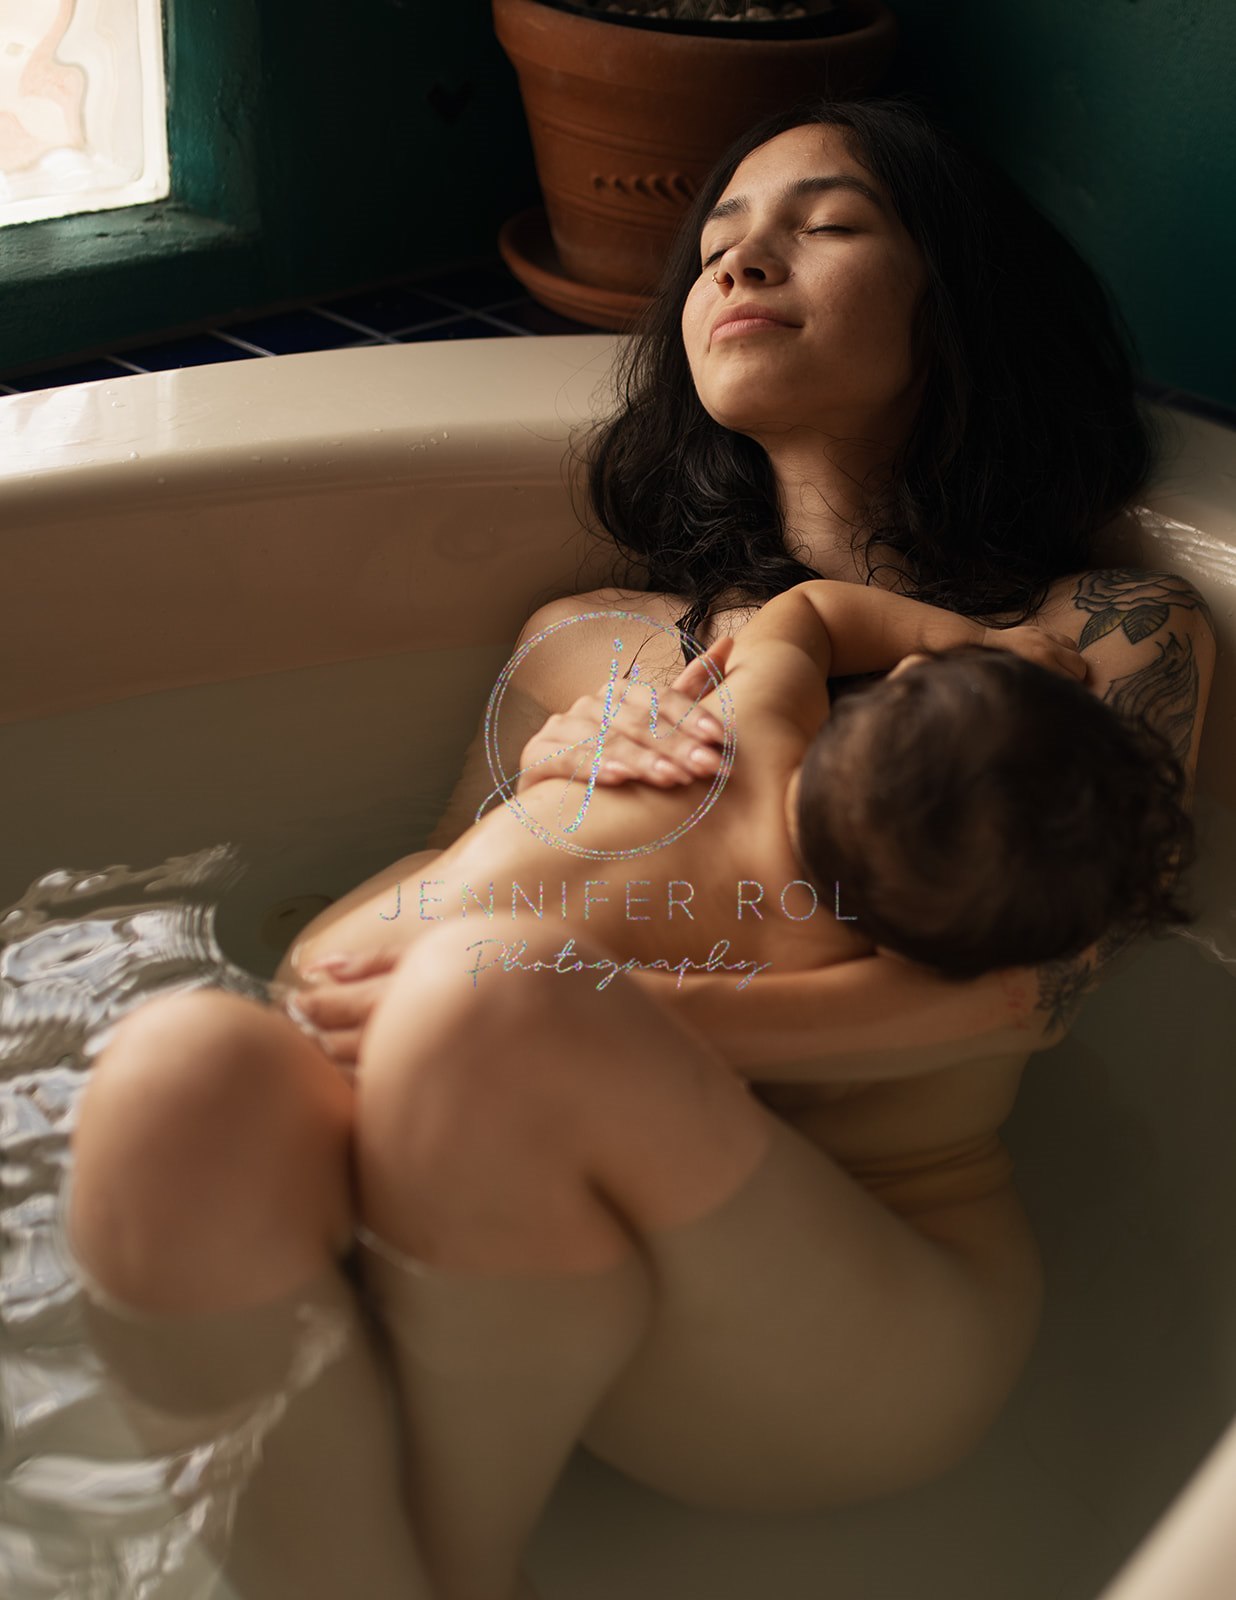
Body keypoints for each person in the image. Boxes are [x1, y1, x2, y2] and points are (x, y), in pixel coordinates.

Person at [64, 93, 1215, 1600]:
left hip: (845, 1321)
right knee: (173, 1080)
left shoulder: (1085, 642)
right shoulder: (577, 651)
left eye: (828, 222)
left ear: (961, 296)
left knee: (489, 995)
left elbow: (1030, 999)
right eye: (718, 242)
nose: (740, 262)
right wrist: (527, 815)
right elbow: (366, 955)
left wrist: (604, 1009)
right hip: (472, 1241)